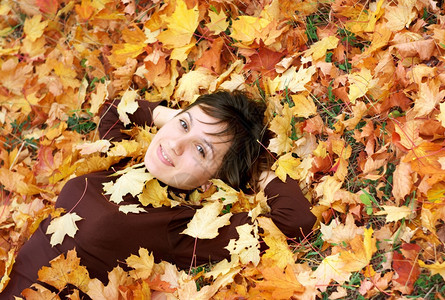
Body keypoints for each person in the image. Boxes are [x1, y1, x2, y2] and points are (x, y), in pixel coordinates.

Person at [2, 90, 316, 297]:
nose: (175, 145)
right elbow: (115, 109)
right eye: (183, 125)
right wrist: (179, 121)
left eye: (200, 150)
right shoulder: (125, 162)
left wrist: (256, 164)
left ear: (211, 182)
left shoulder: (177, 225)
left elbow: (295, 219)